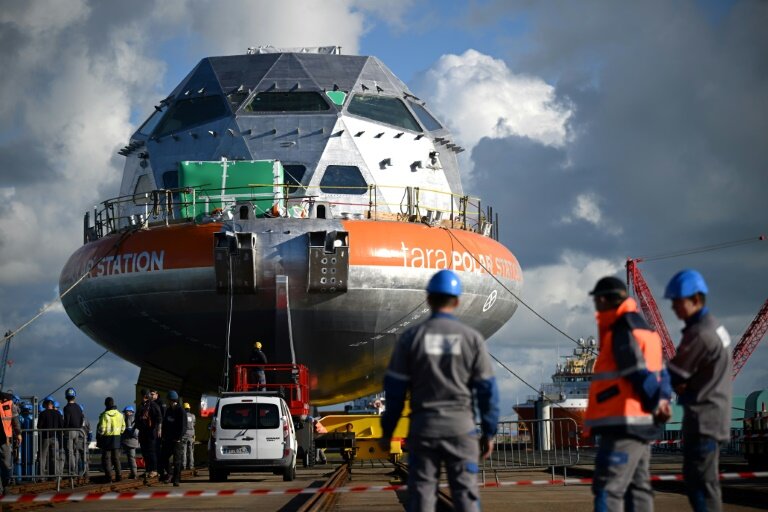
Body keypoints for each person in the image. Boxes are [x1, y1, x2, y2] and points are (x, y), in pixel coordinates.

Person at [380, 269, 499, 512]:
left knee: (423, 495)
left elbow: (395, 392)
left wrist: (388, 431)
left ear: (428, 299)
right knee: (466, 495)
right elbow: (487, 391)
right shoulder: (471, 339)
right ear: (457, 301)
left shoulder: (411, 338)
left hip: (424, 430)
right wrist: (489, 433)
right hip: (461, 429)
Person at [584, 276, 672, 512]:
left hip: (622, 425)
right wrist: (662, 401)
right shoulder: (648, 331)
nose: (596, 307)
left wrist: (656, 402)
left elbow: (636, 371)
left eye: (596, 301)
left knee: (608, 489)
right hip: (643, 425)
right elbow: (663, 373)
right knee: (638, 488)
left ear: (603, 300)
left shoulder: (622, 329)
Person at [664, 269, 732, 512]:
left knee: (700, 485)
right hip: (714, 418)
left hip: (703, 421)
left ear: (695, 298)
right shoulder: (715, 327)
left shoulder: (700, 334)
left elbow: (672, 374)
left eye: (677, 301)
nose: (673, 307)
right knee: (706, 483)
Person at [159, 391, 186, 486]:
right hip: (168, 439)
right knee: (163, 457)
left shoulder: (181, 411)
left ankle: (176, 479)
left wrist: (178, 437)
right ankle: (170, 473)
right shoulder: (168, 410)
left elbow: (183, 426)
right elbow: (165, 424)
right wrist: (163, 436)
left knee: (177, 460)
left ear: (172, 400)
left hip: (177, 440)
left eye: (169, 400)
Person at [97, 397, 125, 483]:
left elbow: (102, 429)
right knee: (116, 458)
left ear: (105, 404)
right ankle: (119, 476)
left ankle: (108, 477)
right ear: (113, 403)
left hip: (107, 439)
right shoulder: (120, 415)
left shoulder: (105, 415)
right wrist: (118, 432)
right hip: (117, 438)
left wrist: (100, 435)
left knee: (107, 459)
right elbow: (123, 427)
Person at [136, 389, 162, 480]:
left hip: (151, 432)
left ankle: (154, 470)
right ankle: (148, 469)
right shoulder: (141, 406)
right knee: (145, 452)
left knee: (152, 451)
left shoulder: (153, 405)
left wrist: (159, 429)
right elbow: (137, 418)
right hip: (143, 432)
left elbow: (159, 418)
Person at [37, 397, 63, 480]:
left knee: (43, 457)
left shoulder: (42, 414)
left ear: (45, 404)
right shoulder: (57, 413)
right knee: (55, 457)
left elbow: (39, 426)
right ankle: (56, 476)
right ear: (52, 404)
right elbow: (61, 425)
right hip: (55, 438)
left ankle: (41, 477)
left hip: (45, 438)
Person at [0, 391, 21, 493]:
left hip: (5, 439)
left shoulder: (8, 401)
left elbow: (15, 419)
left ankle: (5, 484)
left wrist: (18, 433)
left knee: (7, 464)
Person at [62, 387, 84, 477]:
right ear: (74, 396)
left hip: (69, 431)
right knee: (76, 451)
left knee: (70, 452)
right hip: (78, 431)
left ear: (66, 397)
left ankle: (72, 471)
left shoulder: (66, 408)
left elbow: (66, 421)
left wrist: (64, 430)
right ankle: (78, 470)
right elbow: (81, 419)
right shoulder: (78, 407)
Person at [121, 406, 140, 479]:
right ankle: (133, 473)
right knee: (132, 457)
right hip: (134, 441)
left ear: (129, 412)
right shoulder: (135, 418)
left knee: (131, 458)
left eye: (126, 412)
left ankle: (134, 473)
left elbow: (129, 429)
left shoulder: (128, 418)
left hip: (129, 441)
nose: (125, 413)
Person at [181, 403, 196, 470]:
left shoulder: (182, 415)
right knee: (191, 451)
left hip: (184, 435)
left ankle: (183, 466)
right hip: (191, 435)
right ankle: (191, 466)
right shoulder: (193, 416)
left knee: (184, 451)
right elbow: (194, 424)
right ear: (189, 408)